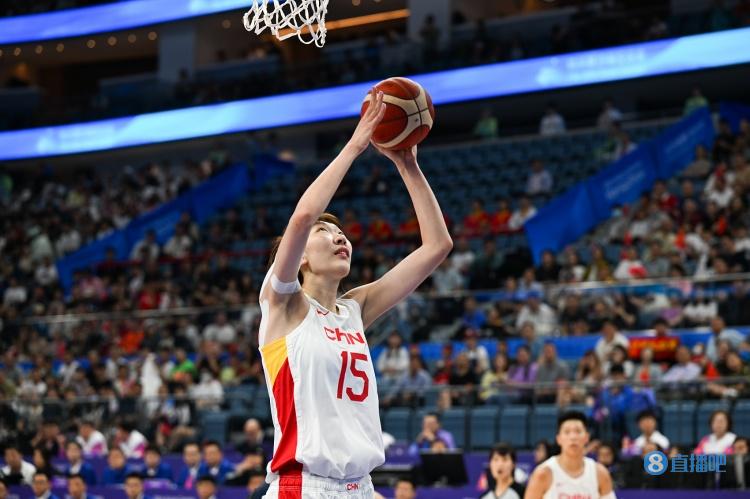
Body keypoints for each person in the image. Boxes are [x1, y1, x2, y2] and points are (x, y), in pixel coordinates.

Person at [257, 89, 452, 497]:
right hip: (305, 486)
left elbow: (437, 246)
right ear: (300, 257)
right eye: (325, 232)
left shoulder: (354, 309)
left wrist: (408, 166)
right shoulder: (282, 304)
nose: (339, 237)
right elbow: (303, 216)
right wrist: (355, 145)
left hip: (360, 486)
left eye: (342, 232)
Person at [524, 411, 615, 499]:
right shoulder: (543, 473)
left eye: (578, 431)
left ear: (587, 437)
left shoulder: (600, 473)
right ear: (558, 439)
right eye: (567, 432)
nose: (573, 437)